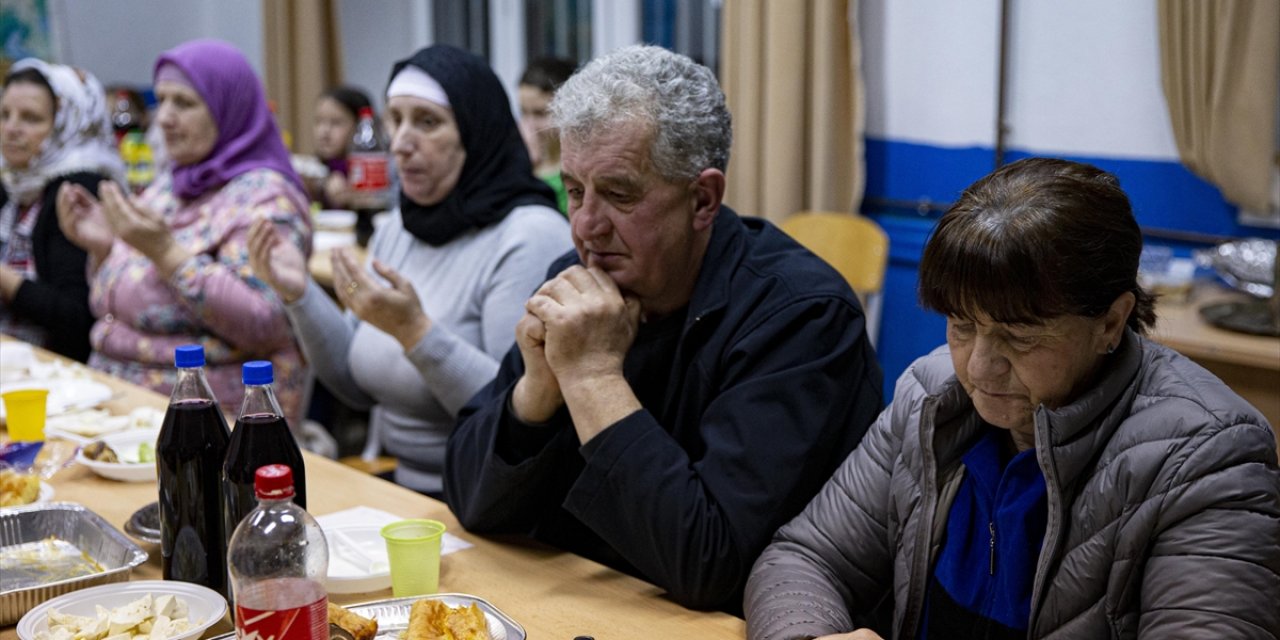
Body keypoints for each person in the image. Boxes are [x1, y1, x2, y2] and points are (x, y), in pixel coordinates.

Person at [744, 158, 1280, 639]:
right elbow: (806, 557)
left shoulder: (1208, 457)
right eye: (961, 325)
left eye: (1020, 337)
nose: (979, 367)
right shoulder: (931, 395)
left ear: (1111, 322)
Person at [444, 45, 884, 612]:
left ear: (702, 200)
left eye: (619, 194)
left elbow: (711, 567)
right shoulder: (578, 277)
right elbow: (469, 501)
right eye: (575, 191)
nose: (586, 226)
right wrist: (536, 393)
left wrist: (593, 378)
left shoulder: (803, 317)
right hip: (577, 602)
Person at [247, 45, 570, 496]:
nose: (400, 143)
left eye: (427, 122)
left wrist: (415, 332)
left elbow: (518, 413)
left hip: (489, 498)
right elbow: (354, 385)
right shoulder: (400, 226)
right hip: (398, 485)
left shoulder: (530, 235)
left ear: (476, 130)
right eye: (394, 120)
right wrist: (300, 294)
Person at [56, 39, 313, 425]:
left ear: (229, 109)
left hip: (205, 421)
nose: (164, 118)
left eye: (185, 103)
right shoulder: (172, 185)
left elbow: (265, 321)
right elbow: (118, 300)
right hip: (119, 401)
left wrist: (165, 253)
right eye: (162, 100)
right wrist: (104, 249)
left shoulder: (266, 198)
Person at [1, 60, 123, 362]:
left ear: (67, 125)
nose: (11, 129)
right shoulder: (13, 181)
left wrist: (4, 280)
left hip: (61, 370)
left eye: (31, 118)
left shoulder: (78, 188)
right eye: (4, 114)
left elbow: (76, 319)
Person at [517, 57, 575, 215]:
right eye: (523, 112)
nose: (529, 125)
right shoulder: (521, 163)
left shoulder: (575, 173)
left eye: (540, 113)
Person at [308, 85, 373, 210]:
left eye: (336, 122)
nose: (324, 131)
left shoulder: (372, 169)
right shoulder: (312, 171)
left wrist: (354, 199)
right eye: (318, 121)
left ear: (361, 127)